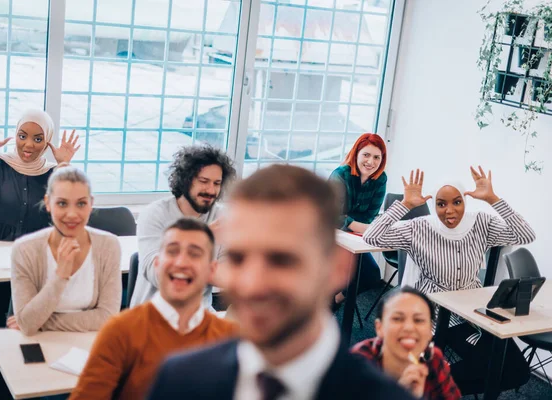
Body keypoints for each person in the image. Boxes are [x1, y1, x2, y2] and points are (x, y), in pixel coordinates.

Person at [148, 165, 416, 400]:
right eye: (239, 258)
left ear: (337, 267)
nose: (252, 284)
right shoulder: (178, 380)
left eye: (281, 260)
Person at [0, 112, 79, 400]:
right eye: (23, 136)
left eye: (38, 138)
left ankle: (4, 371)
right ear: (16, 135)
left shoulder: (51, 173)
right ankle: (5, 364)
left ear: (46, 142)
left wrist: (64, 163)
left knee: (38, 324)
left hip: (34, 264)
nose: (29, 145)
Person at [70, 218, 238, 400]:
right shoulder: (120, 331)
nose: (181, 262)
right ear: (157, 264)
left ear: (211, 270)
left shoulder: (228, 337)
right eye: (172, 252)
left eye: (195, 254)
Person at [363, 167, 535, 296]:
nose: (450, 211)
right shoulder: (419, 228)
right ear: (434, 205)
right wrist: (405, 205)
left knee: (501, 342)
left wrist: (493, 200)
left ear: (464, 202)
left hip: (470, 305)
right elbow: (372, 237)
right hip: (435, 307)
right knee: (484, 343)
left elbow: (525, 235)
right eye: (441, 204)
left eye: (457, 202)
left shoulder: (481, 222)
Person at [9, 165, 122, 335]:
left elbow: (107, 317)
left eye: (81, 204)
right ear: (48, 203)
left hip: (89, 344)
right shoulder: (25, 249)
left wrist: (43, 322)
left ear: (91, 204)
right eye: (62, 203)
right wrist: (60, 276)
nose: (71, 214)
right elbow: (28, 324)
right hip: (40, 343)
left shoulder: (109, 245)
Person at [130, 144, 236, 307]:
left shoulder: (222, 216)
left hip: (199, 317)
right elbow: (160, 276)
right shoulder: (155, 214)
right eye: (204, 181)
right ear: (186, 180)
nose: (210, 190)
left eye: (217, 183)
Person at [352, 287, 461, 399]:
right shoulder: (359, 363)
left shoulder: (433, 359)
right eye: (397, 319)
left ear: (430, 330)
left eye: (418, 320)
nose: (409, 328)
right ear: (379, 328)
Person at [329, 133, 387, 307]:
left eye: (377, 157)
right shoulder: (340, 175)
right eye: (366, 155)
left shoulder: (380, 179)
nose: (371, 162)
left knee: (371, 275)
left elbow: (370, 215)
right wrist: (358, 225)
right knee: (332, 274)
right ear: (356, 154)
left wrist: (349, 221)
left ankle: (337, 299)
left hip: (354, 240)